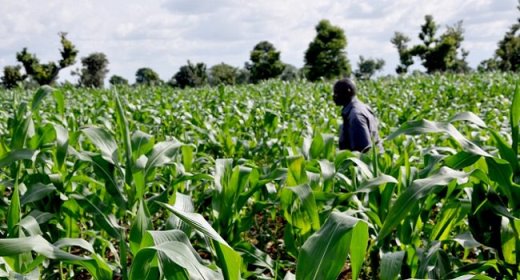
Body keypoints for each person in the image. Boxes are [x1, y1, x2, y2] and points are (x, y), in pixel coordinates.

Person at [332, 78, 383, 153]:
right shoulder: (362, 107)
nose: (334, 96)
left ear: (346, 93)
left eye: (336, 93)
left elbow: (363, 150)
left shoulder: (355, 116)